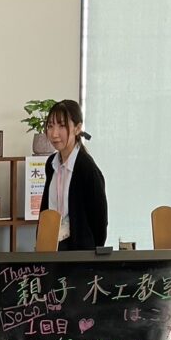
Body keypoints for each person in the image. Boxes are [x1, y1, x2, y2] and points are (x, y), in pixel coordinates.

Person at [39, 98, 107, 250]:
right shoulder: (51, 164)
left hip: (78, 253)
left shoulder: (87, 168)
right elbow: (46, 209)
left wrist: (91, 255)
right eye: (50, 126)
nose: (54, 133)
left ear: (77, 128)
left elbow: (100, 221)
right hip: (51, 248)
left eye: (62, 126)